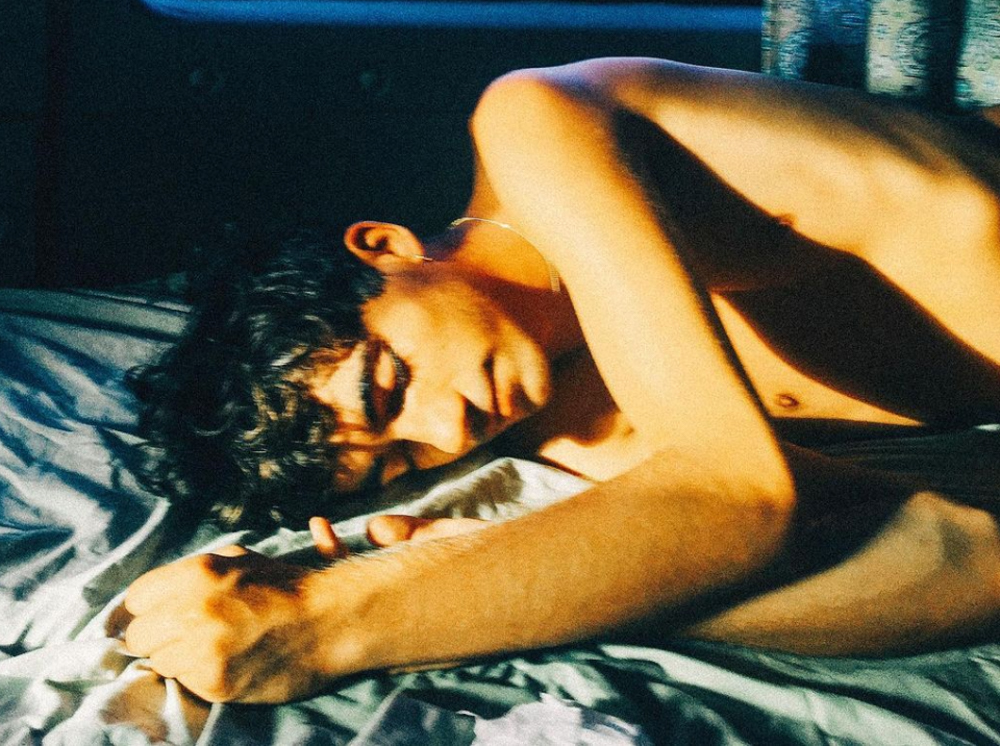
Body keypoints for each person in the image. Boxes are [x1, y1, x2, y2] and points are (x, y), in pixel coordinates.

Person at [122, 57, 1000, 704]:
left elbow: (739, 497)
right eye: (402, 461)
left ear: (386, 249)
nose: (448, 432)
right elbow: (967, 561)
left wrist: (324, 620)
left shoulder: (536, 125)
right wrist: (550, 586)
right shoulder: (586, 436)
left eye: (389, 389)